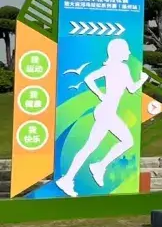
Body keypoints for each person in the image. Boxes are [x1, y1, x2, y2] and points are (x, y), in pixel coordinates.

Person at [55, 39, 149, 197]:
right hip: (106, 112)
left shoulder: (120, 68)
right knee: (120, 142)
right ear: (118, 52)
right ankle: (83, 173)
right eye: (126, 50)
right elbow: (90, 79)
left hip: (107, 111)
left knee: (94, 146)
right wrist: (100, 94)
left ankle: (84, 172)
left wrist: (141, 80)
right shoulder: (117, 68)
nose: (129, 53)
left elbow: (131, 88)